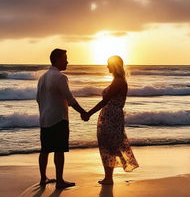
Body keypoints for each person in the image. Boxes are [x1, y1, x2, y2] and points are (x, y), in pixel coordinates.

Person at [82, 56, 139, 184]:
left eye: (109, 64)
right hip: (111, 115)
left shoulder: (118, 81)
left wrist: (89, 113)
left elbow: (105, 101)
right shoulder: (118, 80)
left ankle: (109, 178)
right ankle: (108, 177)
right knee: (108, 144)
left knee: (108, 145)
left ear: (115, 66)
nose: (107, 67)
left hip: (111, 117)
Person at [36, 48, 86, 189]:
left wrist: (45, 110)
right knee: (59, 150)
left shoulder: (42, 77)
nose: (67, 61)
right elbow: (70, 99)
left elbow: (38, 99)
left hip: (44, 118)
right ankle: (59, 181)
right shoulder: (60, 77)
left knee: (45, 149)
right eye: (65, 58)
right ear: (57, 59)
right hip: (58, 118)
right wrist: (83, 112)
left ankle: (43, 178)